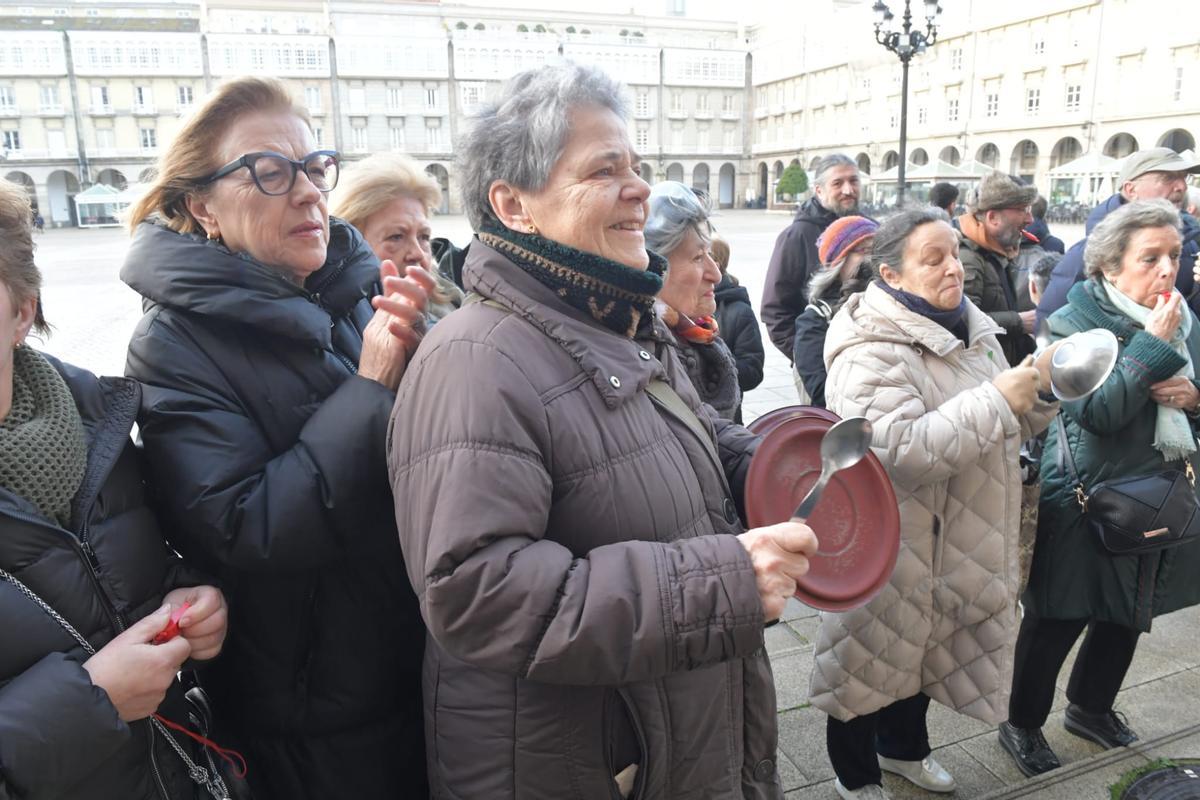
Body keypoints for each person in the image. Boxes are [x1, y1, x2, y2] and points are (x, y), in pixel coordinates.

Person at [387, 62, 820, 800]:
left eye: (636, 166)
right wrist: (721, 584)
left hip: (677, 727)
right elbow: (476, 593)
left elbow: (686, 434)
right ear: (514, 205)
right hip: (587, 761)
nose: (640, 188)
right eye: (605, 169)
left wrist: (786, 467)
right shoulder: (474, 359)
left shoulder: (614, 316)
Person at [120, 77, 434, 798]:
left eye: (314, 167)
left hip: (420, 660)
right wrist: (372, 386)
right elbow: (246, 525)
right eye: (269, 171)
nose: (308, 193)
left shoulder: (350, 290)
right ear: (203, 206)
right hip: (311, 717)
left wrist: (436, 365)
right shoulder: (172, 344)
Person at [815, 206, 1059, 800]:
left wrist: (1044, 390)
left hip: (960, 534)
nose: (954, 268)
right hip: (894, 545)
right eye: (934, 259)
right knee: (867, 664)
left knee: (925, 657)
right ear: (891, 275)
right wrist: (999, 400)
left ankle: (903, 751)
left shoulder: (971, 326)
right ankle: (855, 776)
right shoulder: (868, 348)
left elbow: (1010, 423)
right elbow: (901, 451)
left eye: (953, 253)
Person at [0, 177, 229, 799]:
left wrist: (191, 601)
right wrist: (90, 702)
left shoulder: (94, 424)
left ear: (22, 312)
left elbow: (120, 579)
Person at [1000, 199, 1200, 777]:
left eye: (1175, 255)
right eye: (1150, 258)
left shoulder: (1183, 319)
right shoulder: (1072, 322)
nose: (1168, 269)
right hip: (1085, 494)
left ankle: (1090, 708)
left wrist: (1195, 397)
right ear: (1111, 266)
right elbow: (1098, 413)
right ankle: (1021, 722)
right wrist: (1152, 346)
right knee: (1057, 616)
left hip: (1159, 491)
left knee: (1128, 610)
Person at [1038, 148, 1200, 323]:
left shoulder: (1190, 243)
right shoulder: (1086, 253)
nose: (1182, 186)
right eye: (1168, 178)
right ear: (1131, 190)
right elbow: (1052, 325)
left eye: (1184, 177)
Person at [643, 181, 742, 420]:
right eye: (698, 257)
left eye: (710, 253)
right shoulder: (648, 359)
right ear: (655, 270)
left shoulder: (700, 333)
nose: (716, 274)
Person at [330, 151, 464, 322]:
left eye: (424, 237)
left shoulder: (454, 298)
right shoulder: (336, 327)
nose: (418, 254)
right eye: (396, 237)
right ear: (349, 246)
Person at [761, 153, 861, 361]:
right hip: (820, 361)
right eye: (837, 183)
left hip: (869, 357)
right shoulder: (797, 235)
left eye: (853, 181)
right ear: (819, 190)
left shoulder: (869, 230)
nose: (848, 190)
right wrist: (806, 358)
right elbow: (775, 309)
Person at [792, 215, 878, 407]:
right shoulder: (816, 319)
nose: (872, 258)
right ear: (839, 262)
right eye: (863, 251)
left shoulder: (894, 302)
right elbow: (820, 389)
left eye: (877, 250)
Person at [957, 172, 1038, 365]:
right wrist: (1018, 322)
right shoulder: (968, 258)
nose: (1030, 219)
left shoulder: (992, 252)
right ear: (993, 217)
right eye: (1023, 209)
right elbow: (962, 321)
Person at [712, 234, 765, 422]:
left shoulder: (739, 311)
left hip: (725, 420)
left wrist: (715, 362)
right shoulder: (679, 303)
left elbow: (753, 372)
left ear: (715, 264)